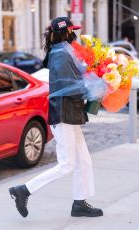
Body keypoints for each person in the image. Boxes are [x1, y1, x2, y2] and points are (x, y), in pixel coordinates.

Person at [9, 17, 103, 218]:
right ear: (65, 32)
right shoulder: (60, 54)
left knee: (84, 160)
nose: (74, 34)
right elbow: (69, 87)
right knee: (67, 164)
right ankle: (24, 190)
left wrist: (97, 81)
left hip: (70, 113)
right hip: (63, 114)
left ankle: (80, 202)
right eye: (72, 31)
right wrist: (98, 87)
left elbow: (75, 81)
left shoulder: (64, 51)